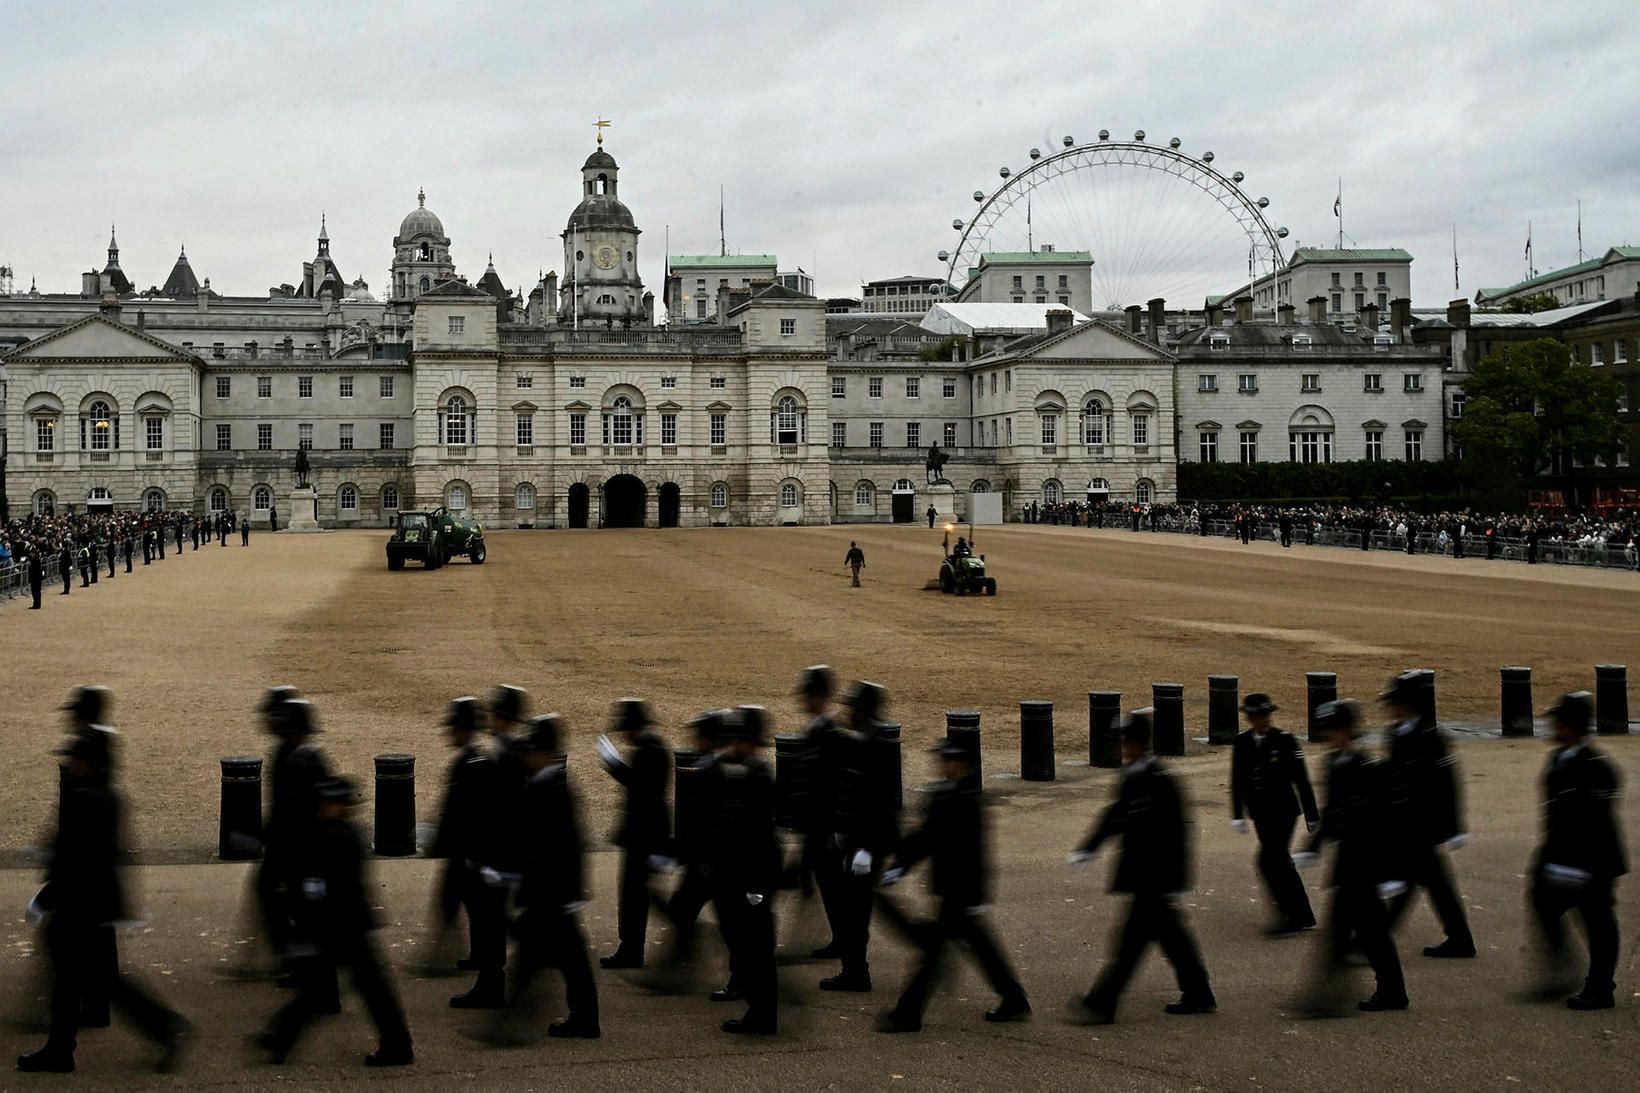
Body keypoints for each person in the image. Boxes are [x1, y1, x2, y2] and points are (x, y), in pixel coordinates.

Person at [18, 726, 190, 1074]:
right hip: (94, 905)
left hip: (79, 907)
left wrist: (46, 897)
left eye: (77, 758)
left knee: (80, 982)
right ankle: (66, 1048)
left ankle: (66, 1048)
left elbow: (75, 860)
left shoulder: (85, 799)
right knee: (92, 982)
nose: (70, 763)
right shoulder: (108, 797)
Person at [1069, 711, 1214, 1024]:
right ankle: (1199, 992)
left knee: (1130, 944)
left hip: (1155, 877)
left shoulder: (1161, 781)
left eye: (1125, 741)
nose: (1122, 747)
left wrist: (1176, 878)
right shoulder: (1132, 776)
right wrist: (1090, 846)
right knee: (1172, 938)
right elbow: (1116, 815)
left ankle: (1102, 1004)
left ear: (1137, 743)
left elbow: (1178, 833)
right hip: (1143, 875)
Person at [257, 777, 413, 1067]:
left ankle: (397, 1045)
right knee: (324, 989)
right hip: (340, 925)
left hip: (345, 926)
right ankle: (281, 1037)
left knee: (361, 990)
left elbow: (334, 887)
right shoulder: (334, 833)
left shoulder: (340, 837)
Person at [875, 739, 1030, 1032]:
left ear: (959, 763)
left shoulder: (963, 798)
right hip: (953, 889)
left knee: (935, 953)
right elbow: (926, 839)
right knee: (980, 947)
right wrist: (900, 865)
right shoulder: (950, 795)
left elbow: (972, 851)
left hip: (959, 890)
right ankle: (1013, 997)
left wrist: (977, 894)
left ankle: (907, 1014)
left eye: (947, 760)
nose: (941, 765)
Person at [487, 715, 601, 1040]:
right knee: (564, 958)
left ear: (545, 753)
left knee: (547, 957)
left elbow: (563, 846)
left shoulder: (550, 789)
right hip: (551, 890)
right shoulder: (546, 785)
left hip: (550, 891)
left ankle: (513, 1023)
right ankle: (578, 1018)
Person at [1293, 699, 1408, 1016]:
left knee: (1357, 932)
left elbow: (1386, 823)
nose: (1329, 735)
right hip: (1348, 860)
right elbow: (1332, 811)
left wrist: (1392, 871)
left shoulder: (1367, 769)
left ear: (1345, 730)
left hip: (1367, 862)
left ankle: (1332, 997)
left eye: (1333, 729)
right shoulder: (1334, 764)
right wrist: (1312, 846)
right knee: (1366, 933)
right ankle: (1379, 992)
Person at [1528, 692, 1626, 1011]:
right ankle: (1563, 973)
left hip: (1594, 860)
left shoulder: (1596, 767)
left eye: (1558, 721)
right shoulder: (1560, 758)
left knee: (1598, 922)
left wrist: (1578, 866)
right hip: (1562, 857)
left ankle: (1600, 987)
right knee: (1543, 903)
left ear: (1572, 726)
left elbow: (1594, 824)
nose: (1552, 726)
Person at [1380, 672, 1475, 958]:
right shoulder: (1396, 735)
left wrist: (1454, 827)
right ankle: (1460, 938)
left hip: (1425, 823)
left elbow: (1448, 784)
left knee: (1410, 882)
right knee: (1436, 883)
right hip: (1406, 822)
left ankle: (1377, 938)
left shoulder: (1433, 738)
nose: (1390, 707)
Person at [451, 684, 530, 1009]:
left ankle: (491, 986)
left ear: (502, 717)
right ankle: (490, 980)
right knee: (491, 921)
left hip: (501, 857)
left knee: (491, 923)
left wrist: (487, 858)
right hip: (504, 855)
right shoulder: (509, 751)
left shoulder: (507, 757)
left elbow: (503, 813)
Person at [818, 680, 900, 993]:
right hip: (860, 840)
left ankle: (855, 973)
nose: (846, 712)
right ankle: (853, 970)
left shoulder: (875, 744)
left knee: (855, 911)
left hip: (869, 843)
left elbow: (879, 802)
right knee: (853, 909)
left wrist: (865, 847)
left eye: (851, 707)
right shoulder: (867, 739)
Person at [708, 706, 782, 1034]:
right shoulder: (742, 772)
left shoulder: (758, 777)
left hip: (754, 876)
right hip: (740, 874)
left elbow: (759, 837)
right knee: (747, 943)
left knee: (757, 949)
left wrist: (755, 885)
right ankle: (757, 1006)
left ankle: (762, 1013)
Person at [258, 692, 335, 996]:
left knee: (306, 915)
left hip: (302, 853)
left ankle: (314, 975)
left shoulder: (305, 760)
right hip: (290, 850)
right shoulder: (291, 756)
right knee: (297, 912)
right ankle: (305, 967)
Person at [1230, 693, 1319, 935]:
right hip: (1260, 812)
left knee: (1272, 859)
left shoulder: (1285, 740)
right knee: (1277, 861)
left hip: (1284, 811)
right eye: (1259, 716)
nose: (1265, 720)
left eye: (1267, 714)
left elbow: (1301, 780)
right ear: (1250, 718)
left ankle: (1287, 914)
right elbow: (1237, 780)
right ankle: (1301, 914)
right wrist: (1237, 813)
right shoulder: (1242, 742)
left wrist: (1312, 814)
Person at [595, 698, 672, 970]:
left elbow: (640, 791)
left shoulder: (647, 752)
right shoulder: (654, 748)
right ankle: (631, 948)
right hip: (648, 836)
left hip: (643, 837)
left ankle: (630, 950)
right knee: (637, 897)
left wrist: (614, 765)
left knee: (633, 898)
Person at [426, 697, 488, 977]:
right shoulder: (475, 761)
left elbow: (458, 813)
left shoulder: (468, 764)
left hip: (465, 852)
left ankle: (443, 956)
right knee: (466, 905)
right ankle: (473, 955)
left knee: (456, 902)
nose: (450, 732)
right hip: (467, 852)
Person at [794, 666, 845, 960]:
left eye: (810, 695)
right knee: (824, 884)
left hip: (824, 825)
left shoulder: (828, 732)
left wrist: (837, 828)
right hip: (816, 824)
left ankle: (844, 939)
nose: (805, 700)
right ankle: (840, 938)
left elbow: (833, 784)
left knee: (831, 885)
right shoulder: (819, 729)